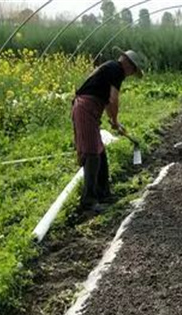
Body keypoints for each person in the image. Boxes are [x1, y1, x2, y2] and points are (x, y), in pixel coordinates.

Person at [72, 49, 144, 212]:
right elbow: (113, 99)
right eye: (133, 71)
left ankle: (103, 194)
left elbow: (104, 100)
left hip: (91, 109)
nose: (131, 74)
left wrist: (113, 121)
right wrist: (115, 120)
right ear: (128, 64)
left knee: (100, 153)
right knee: (91, 154)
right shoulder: (116, 69)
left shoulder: (111, 69)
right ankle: (88, 201)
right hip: (85, 109)